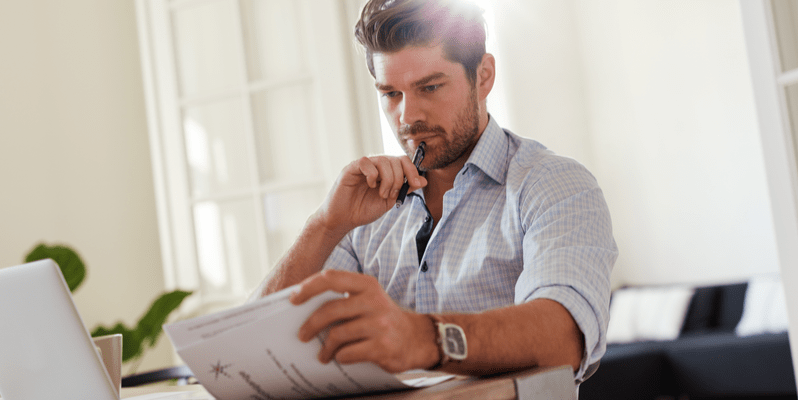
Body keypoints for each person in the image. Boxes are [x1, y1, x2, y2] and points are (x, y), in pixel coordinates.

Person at [255, 0, 617, 383]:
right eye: (391, 93)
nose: (408, 116)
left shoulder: (553, 186)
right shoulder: (363, 211)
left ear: (484, 76)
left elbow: (563, 337)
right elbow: (256, 344)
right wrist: (325, 225)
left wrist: (422, 338)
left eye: (429, 87)